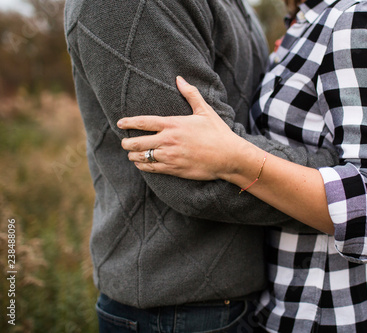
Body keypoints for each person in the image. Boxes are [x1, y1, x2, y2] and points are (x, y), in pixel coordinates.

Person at [118, 0, 367, 331]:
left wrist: (234, 158)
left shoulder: (360, 20)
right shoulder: (307, 24)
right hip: (285, 311)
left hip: (348, 314)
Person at [64, 0, 340, 331]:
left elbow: (233, 136)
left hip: (239, 297)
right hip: (177, 311)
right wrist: (341, 179)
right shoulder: (134, 7)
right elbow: (192, 181)